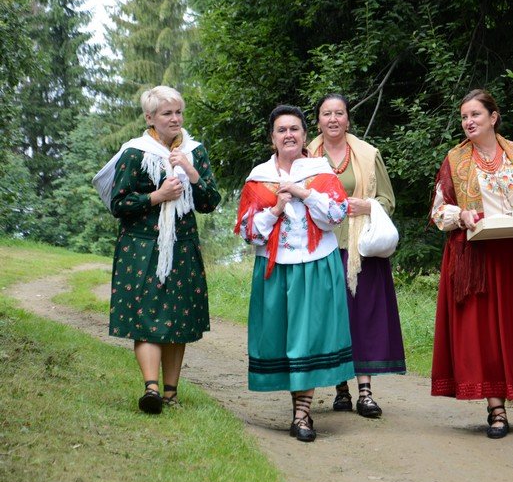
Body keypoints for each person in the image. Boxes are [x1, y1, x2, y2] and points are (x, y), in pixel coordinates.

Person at [430, 89, 513, 439]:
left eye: (475, 115)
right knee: (482, 334)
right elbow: (438, 211)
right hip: (476, 257)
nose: (468, 122)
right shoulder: (455, 159)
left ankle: (512, 390)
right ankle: (496, 409)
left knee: (511, 329)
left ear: (493, 117)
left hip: (512, 254)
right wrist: (462, 215)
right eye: (464, 117)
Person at [93, 85, 221, 414]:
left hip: (182, 245)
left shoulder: (195, 151)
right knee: (146, 316)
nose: (175, 119)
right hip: (140, 246)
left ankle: (170, 393)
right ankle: (151, 388)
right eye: (167, 113)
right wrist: (157, 196)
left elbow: (210, 202)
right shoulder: (135, 153)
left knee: (177, 318)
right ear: (150, 118)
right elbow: (119, 204)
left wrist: (191, 172)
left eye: (179, 112)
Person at [235, 105, 355, 442]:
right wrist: (275, 208)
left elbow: (336, 215)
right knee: (286, 339)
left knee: (307, 340)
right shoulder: (259, 178)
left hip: (316, 264)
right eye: (281, 130)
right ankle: (299, 410)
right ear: (272, 138)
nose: (288, 135)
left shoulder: (320, 172)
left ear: (304, 135)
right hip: (274, 268)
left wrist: (304, 193)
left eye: (294, 129)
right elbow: (248, 231)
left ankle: (302, 415)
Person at [307, 93, 406, 418]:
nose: (333, 119)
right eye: (326, 114)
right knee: (334, 318)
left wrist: (368, 205)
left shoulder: (367, 154)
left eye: (339, 113)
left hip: (361, 249)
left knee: (364, 317)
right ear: (318, 121)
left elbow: (388, 200)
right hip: (322, 247)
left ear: (348, 119)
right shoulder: (306, 156)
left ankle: (365, 392)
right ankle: (341, 388)